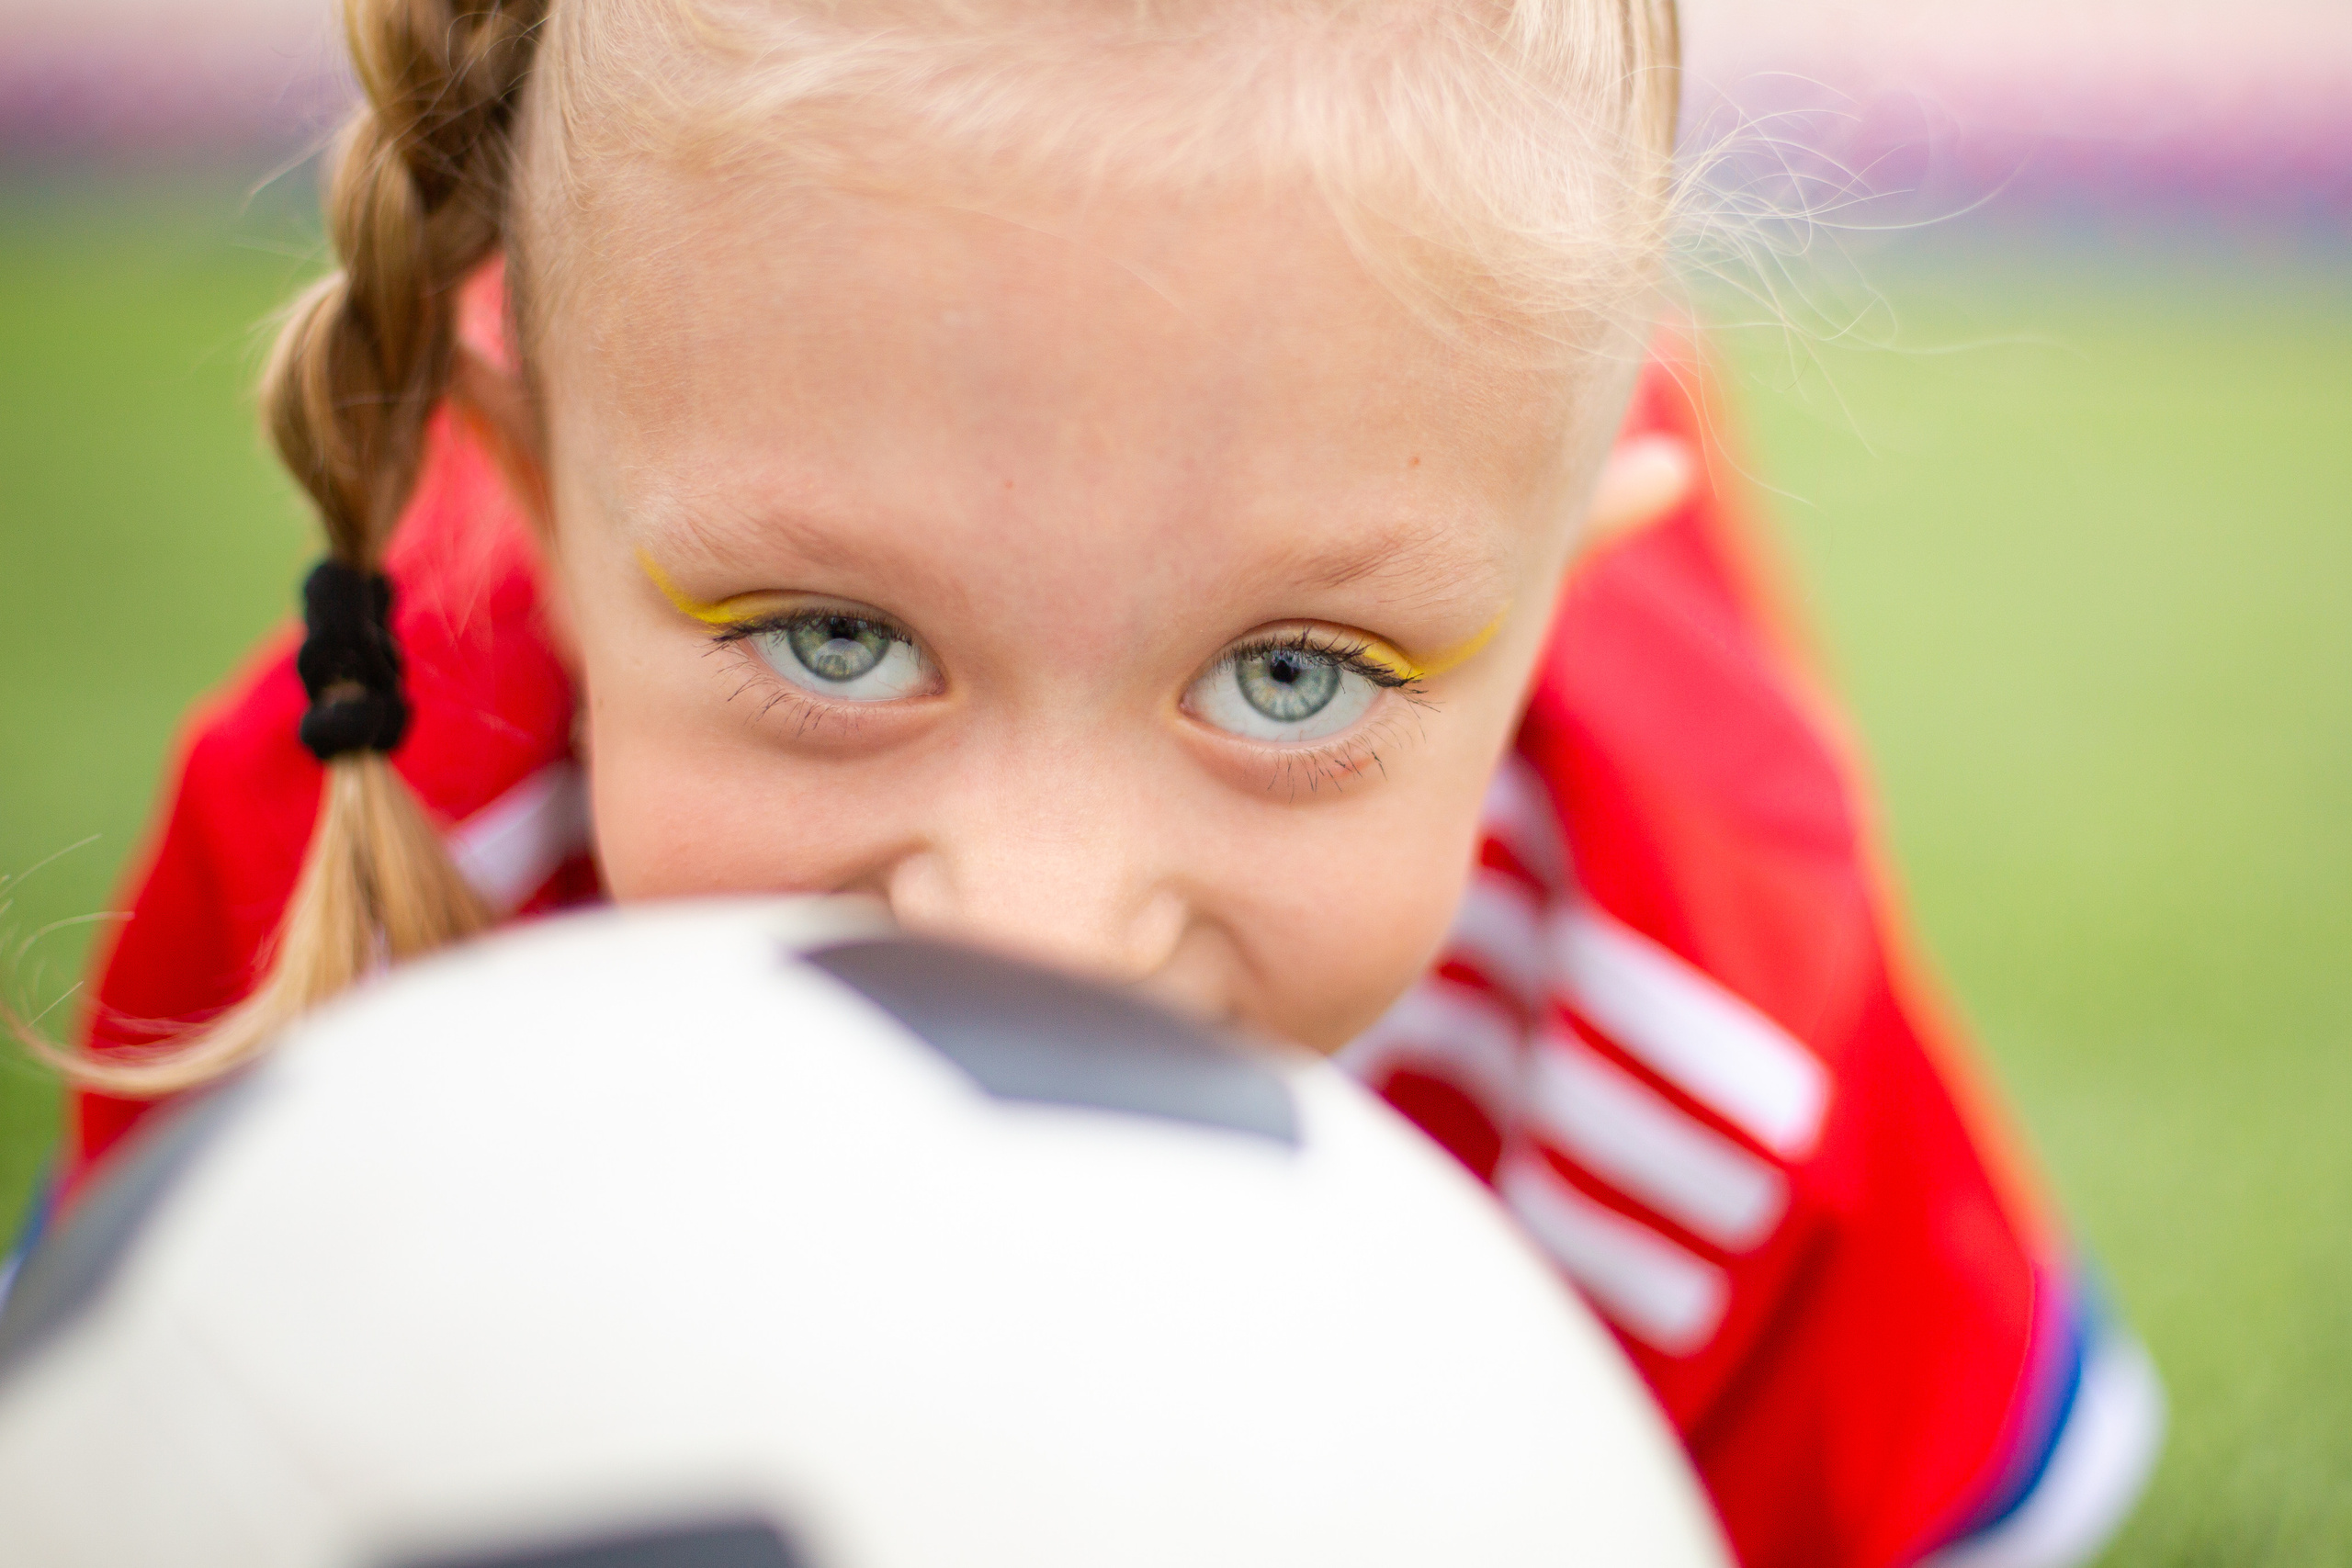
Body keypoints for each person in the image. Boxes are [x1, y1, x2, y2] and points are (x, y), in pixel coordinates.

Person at [17, 2, 2161, 1563]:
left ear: (1541, 616)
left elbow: (1964, 1494)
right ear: (538, 498)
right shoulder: (364, 871)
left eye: (1295, 675)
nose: (1037, 927)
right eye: (831, 640)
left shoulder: (1691, 1025)